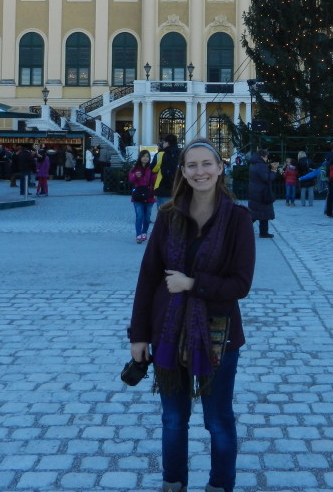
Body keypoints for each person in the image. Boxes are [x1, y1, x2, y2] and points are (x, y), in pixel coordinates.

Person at [127, 138, 255, 492]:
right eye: (192, 165)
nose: (200, 171)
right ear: (182, 171)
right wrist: (138, 335)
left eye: (207, 164)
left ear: (220, 168)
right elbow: (149, 276)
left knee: (218, 420)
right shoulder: (169, 215)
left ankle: (219, 486)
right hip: (167, 330)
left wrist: (191, 284)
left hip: (219, 333)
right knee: (172, 419)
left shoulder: (238, 219)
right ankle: (173, 484)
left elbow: (241, 284)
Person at [246, 148, 277, 238]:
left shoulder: (254, 164)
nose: (267, 159)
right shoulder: (260, 165)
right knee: (257, 214)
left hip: (256, 191)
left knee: (260, 214)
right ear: (262, 156)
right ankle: (262, 232)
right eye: (266, 157)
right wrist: (274, 171)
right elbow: (267, 178)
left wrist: (269, 168)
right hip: (262, 193)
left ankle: (264, 232)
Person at [128, 149, 156, 243]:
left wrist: (155, 192)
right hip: (138, 196)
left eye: (147, 156)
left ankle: (144, 232)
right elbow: (130, 179)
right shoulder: (135, 168)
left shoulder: (151, 168)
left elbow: (154, 181)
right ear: (140, 157)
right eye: (143, 156)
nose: (145, 158)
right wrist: (135, 175)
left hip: (149, 195)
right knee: (139, 215)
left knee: (147, 217)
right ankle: (138, 234)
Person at [154, 135, 181, 208]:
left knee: (163, 215)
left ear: (167, 143)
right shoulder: (181, 153)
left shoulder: (161, 154)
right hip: (178, 189)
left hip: (163, 189)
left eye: (164, 142)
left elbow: (154, 168)